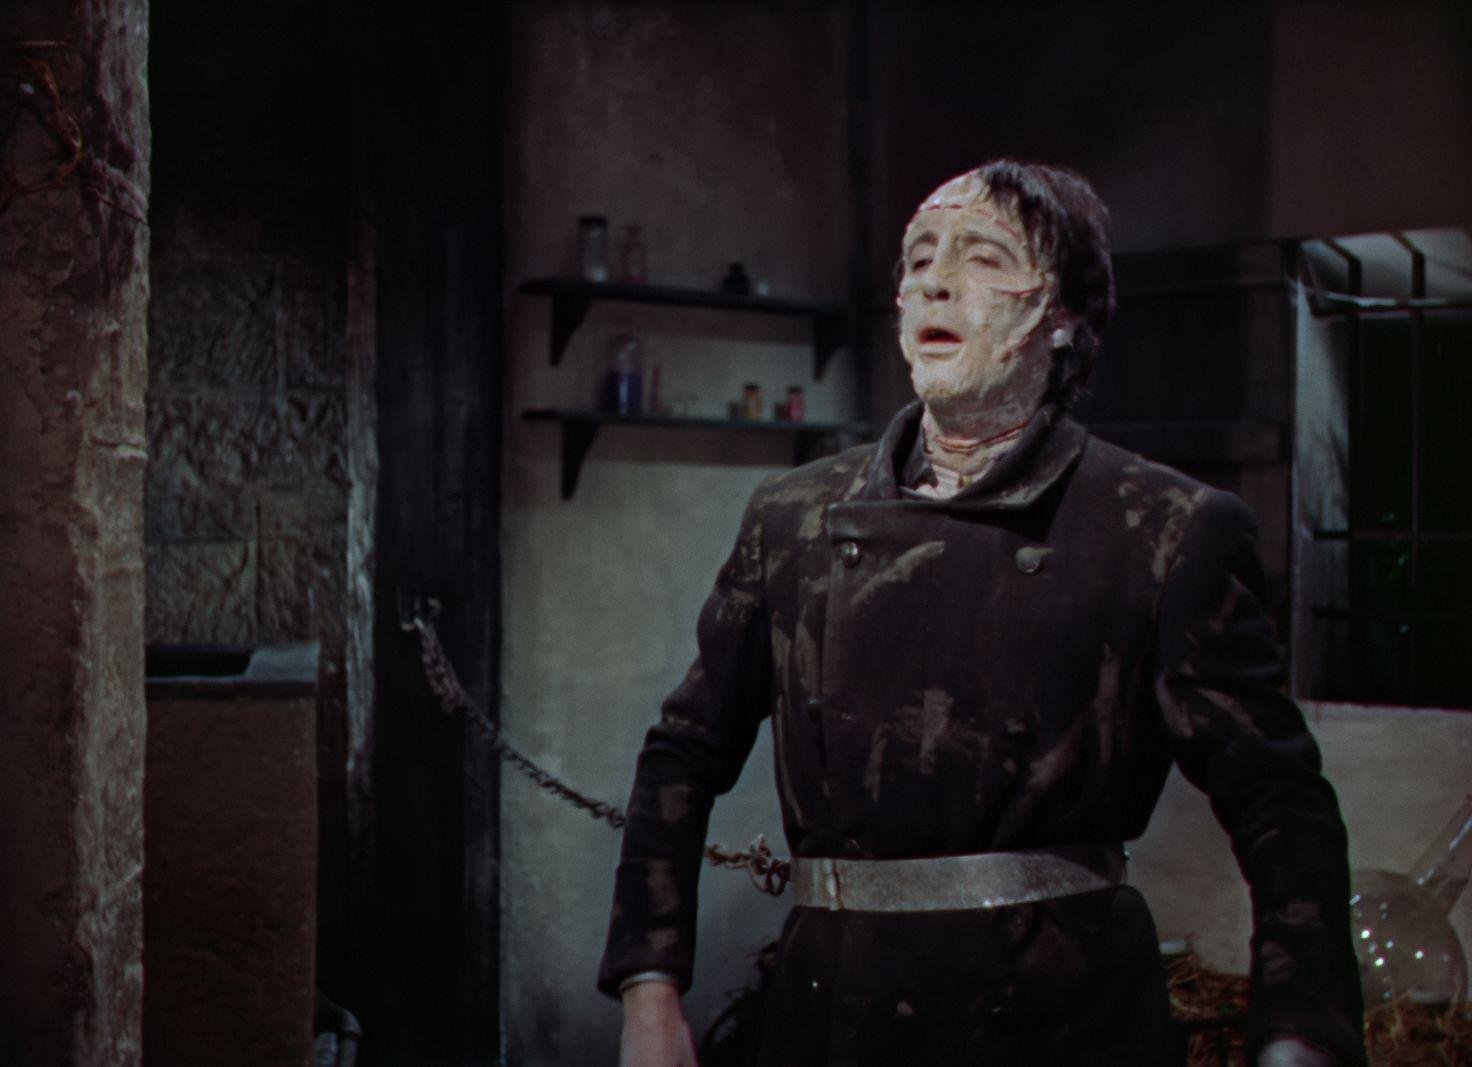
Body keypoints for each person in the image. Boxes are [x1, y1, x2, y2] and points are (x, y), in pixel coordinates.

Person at [599, 160, 1366, 1066]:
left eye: (984, 256)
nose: (935, 280)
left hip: (1064, 1027)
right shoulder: (793, 516)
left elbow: (1279, 799)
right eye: (920, 257)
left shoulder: (1162, 530)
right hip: (830, 1018)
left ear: (1064, 317)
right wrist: (651, 993)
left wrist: (1298, 1031)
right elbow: (683, 751)